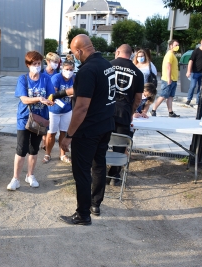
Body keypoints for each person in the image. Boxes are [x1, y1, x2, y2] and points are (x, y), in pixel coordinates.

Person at [58, 34, 116, 225]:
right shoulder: (107, 65)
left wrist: (69, 135)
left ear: (79, 50)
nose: (74, 57)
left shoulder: (87, 70)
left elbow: (81, 107)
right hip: (105, 125)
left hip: (88, 130)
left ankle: (83, 214)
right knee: (98, 165)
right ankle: (94, 204)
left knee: (82, 171)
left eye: (74, 53)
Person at [7, 51, 54, 191]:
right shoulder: (23, 79)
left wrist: (51, 101)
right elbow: (24, 99)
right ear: (28, 65)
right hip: (24, 118)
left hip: (41, 119)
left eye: (39, 63)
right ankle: (15, 178)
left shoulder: (46, 79)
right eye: (34, 64)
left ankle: (30, 175)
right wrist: (39, 99)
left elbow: (51, 95)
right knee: (21, 149)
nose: (37, 66)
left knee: (34, 149)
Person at [108, 44, 144, 186]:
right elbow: (138, 98)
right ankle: (115, 174)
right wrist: (132, 111)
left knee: (101, 143)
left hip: (106, 111)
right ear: (132, 55)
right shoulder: (138, 73)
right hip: (124, 112)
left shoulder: (108, 66)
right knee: (120, 145)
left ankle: (100, 173)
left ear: (117, 52)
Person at [43, 60, 75, 164]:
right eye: (67, 69)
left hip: (67, 110)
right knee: (51, 133)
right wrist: (67, 94)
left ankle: (62, 154)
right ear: (62, 68)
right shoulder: (56, 78)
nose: (69, 72)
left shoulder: (74, 78)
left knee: (63, 132)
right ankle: (47, 154)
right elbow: (52, 94)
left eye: (71, 70)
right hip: (54, 110)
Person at [151, 39, 180, 117]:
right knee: (163, 95)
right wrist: (169, 78)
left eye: (178, 45)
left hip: (173, 79)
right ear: (171, 46)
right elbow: (168, 67)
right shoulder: (169, 55)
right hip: (168, 79)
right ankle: (153, 110)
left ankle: (170, 112)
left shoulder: (172, 55)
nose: (177, 47)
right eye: (175, 45)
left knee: (170, 96)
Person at [40, 52, 60, 150]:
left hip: (54, 103)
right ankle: (44, 142)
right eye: (54, 61)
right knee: (44, 120)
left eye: (57, 62)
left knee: (50, 123)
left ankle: (46, 142)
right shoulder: (42, 73)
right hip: (43, 101)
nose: (56, 64)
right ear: (48, 61)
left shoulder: (58, 73)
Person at [185, 37, 202, 107]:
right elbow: (190, 61)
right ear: (201, 42)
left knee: (201, 87)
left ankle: (198, 101)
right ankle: (189, 99)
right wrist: (188, 71)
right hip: (195, 72)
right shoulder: (196, 51)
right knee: (192, 86)